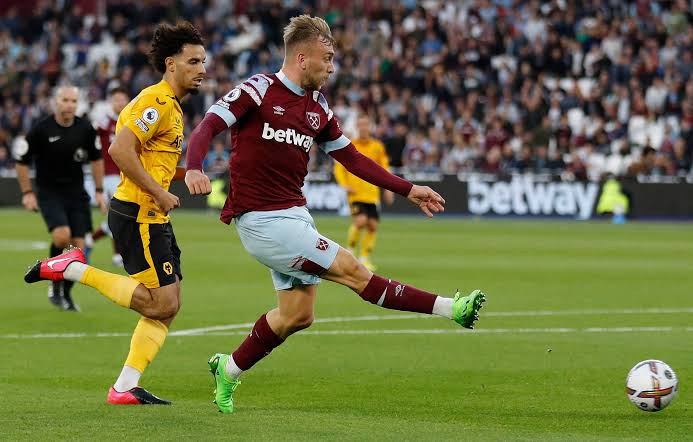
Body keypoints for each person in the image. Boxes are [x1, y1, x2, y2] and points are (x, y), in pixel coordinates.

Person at [184, 15, 486, 414]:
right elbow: (209, 124)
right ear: (302, 57)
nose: (331, 67)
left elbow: (354, 160)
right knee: (354, 271)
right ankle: (451, 308)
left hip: (295, 215)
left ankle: (229, 368)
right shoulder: (258, 90)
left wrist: (408, 188)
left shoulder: (317, 108)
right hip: (260, 220)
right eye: (327, 58)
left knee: (297, 315)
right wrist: (194, 165)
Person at [24, 21, 206, 405]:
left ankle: (124, 386)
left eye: (203, 61)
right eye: (193, 61)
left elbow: (142, 156)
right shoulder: (156, 103)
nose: (201, 69)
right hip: (139, 213)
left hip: (152, 215)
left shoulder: (168, 106)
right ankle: (71, 268)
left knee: (168, 307)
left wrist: (174, 180)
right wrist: (159, 190)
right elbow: (120, 151)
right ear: (171, 64)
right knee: (163, 303)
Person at [16, 85, 106, 311]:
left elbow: (97, 159)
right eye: (65, 100)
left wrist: (98, 189)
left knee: (79, 250)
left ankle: (62, 292)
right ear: (55, 102)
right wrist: (27, 193)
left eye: (73, 101)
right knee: (61, 237)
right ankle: (54, 282)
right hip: (49, 193)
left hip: (77, 194)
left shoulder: (85, 128)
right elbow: (21, 161)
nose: (69, 105)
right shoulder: (41, 130)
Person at [333, 113, 394, 271]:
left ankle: (364, 258)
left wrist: (389, 187)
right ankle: (350, 251)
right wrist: (344, 184)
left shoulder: (377, 146)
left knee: (372, 225)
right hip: (356, 193)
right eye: (361, 124)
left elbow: (385, 167)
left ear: (370, 127)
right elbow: (339, 167)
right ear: (357, 126)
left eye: (366, 124)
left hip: (372, 193)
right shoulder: (351, 145)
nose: (363, 127)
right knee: (360, 222)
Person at [85, 86, 130, 267]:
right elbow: (89, 136)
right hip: (108, 175)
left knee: (121, 216)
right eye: (116, 99)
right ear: (112, 102)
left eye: (122, 99)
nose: (119, 102)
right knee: (119, 215)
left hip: (124, 174)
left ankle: (89, 240)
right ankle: (117, 255)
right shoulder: (104, 121)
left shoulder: (131, 121)